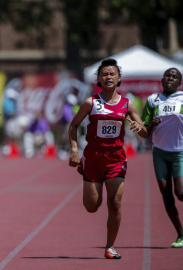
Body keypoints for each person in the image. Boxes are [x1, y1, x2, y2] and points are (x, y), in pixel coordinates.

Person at [68, 58, 147, 259]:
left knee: (115, 203)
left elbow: (145, 133)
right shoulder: (90, 102)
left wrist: (141, 129)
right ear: (99, 80)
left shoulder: (128, 105)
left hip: (116, 158)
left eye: (112, 73)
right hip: (93, 159)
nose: (109, 77)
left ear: (119, 78)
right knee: (92, 207)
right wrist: (75, 150)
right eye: (104, 74)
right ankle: (91, 187)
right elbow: (73, 125)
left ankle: (110, 247)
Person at [141, 67, 183, 248]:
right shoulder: (152, 100)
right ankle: (180, 234)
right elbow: (143, 132)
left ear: (179, 83)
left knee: (180, 193)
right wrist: (151, 124)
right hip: (159, 152)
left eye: (174, 77)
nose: (170, 78)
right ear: (162, 79)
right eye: (167, 75)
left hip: (179, 152)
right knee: (166, 196)